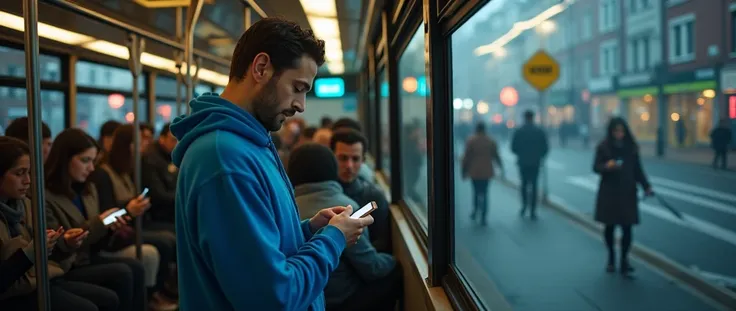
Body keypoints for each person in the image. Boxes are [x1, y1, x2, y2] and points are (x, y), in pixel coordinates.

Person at [169, 17, 373, 310]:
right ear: (261, 68)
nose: (301, 105)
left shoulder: (252, 143)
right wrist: (333, 240)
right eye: (298, 88)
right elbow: (272, 297)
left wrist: (308, 230)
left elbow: (261, 251)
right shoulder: (224, 159)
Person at [0, 136, 124, 311]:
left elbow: (47, 248)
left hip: (40, 277)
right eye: (19, 173)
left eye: (28, 172)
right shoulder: (41, 198)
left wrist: (64, 242)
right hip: (18, 289)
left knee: (111, 295)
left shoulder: (24, 204)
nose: (27, 180)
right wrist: (29, 253)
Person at [44, 128, 149, 311]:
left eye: (93, 161)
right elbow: (58, 247)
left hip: (87, 256)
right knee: (122, 273)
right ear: (64, 159)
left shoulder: (88, 189)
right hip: (65, 265)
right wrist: (100, 224)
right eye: (85, 160)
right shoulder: (45, 197)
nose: (91, 168)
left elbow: (97, 242)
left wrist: (109, 227)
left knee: (135, 267)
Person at [288, 143, 401, 311]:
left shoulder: (288, 208)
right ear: (333, 168)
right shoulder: (344, 208)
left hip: (301, 298)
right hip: (340, 300)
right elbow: (371, 267)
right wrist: (393, 260)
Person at [593, 117, 653, 275]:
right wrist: (607, 166)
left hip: (627, 192)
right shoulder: (604, 147)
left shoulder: (631, 148)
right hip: (609, 192)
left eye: (621, 131)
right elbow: (596, 167)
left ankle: (624, 260)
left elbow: (637, 169)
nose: (619, 134)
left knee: (627, 227)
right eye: (615, 131)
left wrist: (646, 186)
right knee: (610, 226)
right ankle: (611, 258)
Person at [330, 129, 391, 253]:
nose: (349, 165)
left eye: (355, 159)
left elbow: (382, 242)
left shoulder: (374, 196)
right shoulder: (323, 193)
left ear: (363, 160)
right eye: (343, 158)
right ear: (332, 157)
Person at [462, 122, 503, 226]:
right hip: (487, 170)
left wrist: (464, 171)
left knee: (475, 192)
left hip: (474, 170)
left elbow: (466, 157)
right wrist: (501, 167)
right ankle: (484, 216)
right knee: (484, 192)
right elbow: (496, 155)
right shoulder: (490, 141)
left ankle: (475, 210)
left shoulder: (471, 140)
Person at [511, 110, 548, 220]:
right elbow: (545, 147)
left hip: (523, 162)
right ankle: (533, 210)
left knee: (524, 185)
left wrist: (521, 154)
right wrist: (539, 156)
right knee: (534, 185)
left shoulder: (519, 131)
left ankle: (524, 206)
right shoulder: (539, 131)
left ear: (524, 118)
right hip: (535, 162)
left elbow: (513, 147)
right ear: (533, 117)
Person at [142, 123, 179, 225]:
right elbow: (159, 195)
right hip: (159, 214)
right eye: (173, 140)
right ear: (162, 139)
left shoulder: (171, 156)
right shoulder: (151, 160)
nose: (176, 144)